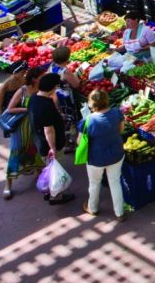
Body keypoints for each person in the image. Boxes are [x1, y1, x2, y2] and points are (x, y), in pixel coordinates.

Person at [80, 89, 126, 220]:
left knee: (94, 184)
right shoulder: (117, 113)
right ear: (107, 101)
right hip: (116, 154)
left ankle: (92, 208)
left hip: (96, 158)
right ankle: (119, 213)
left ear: (91, 104)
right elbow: (121, 129)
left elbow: (80, 141)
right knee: (115, 182)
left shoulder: (88, 120)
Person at [1, 64, 43, 200]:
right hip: (21, 127)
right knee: (16, 151)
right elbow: (10, 109)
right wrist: (27, 109)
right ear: (35, 79)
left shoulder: (42, 89)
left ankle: (39, 172)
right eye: (42, 76)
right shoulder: (23, 90)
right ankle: (8, 185)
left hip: (34, 126)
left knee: (35, 149)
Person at [31, 73, 72, 204]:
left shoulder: (34, 98)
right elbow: (48, 129)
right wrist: (53, 148)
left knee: (49, 168)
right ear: (52, 87)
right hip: (47, 144)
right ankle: (56, 196)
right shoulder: (45, 106)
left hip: (39, 141)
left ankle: (49, 191)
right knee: (55, 170)